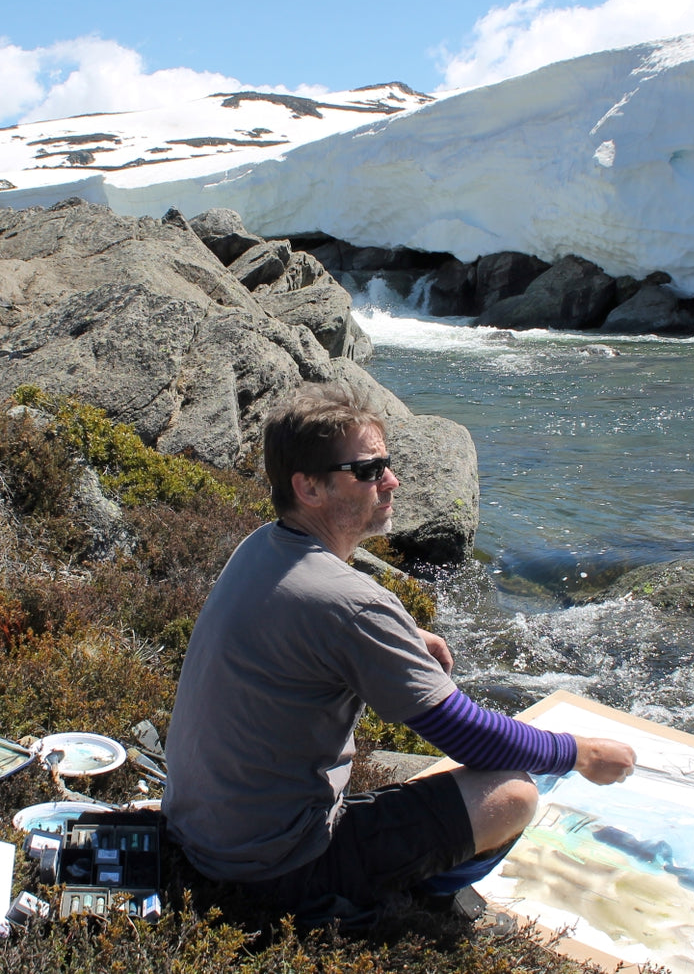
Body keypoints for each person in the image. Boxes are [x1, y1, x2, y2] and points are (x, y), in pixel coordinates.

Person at [161, 382, 635, 924]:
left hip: (202, 831)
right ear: (309, 487)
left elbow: (328, 610)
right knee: (512, 794)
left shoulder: (262, 545)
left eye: (387, 464)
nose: (391, 481)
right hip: (279, 868)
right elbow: (471, 737)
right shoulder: (352, 607)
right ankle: (416, 904)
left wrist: (403, 633)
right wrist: (579, 753)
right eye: (367, 471)